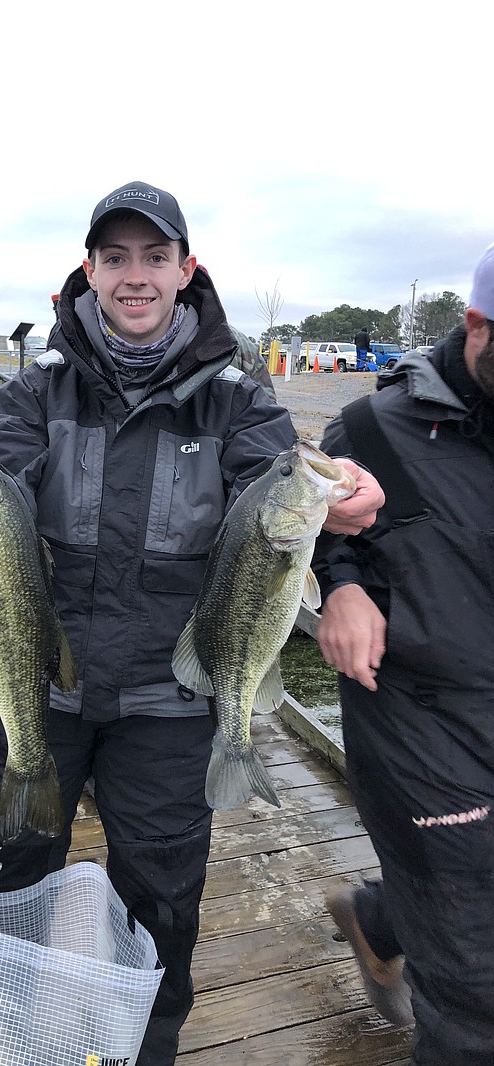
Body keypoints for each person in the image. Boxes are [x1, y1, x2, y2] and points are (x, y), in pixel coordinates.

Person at [0, 180, 383, 1064]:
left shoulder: (239, 402)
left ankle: (142, 1049)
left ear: (187, 271)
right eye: (115, 258)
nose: (134, 276)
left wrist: (338, 512)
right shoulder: (35, 394)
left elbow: (281, 494)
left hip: (172, 708)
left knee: (162, 904)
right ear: (88, 272)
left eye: (154, 257)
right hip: (45, 682)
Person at [316, 240, 494, 1063]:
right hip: (414, 711)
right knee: (474, 997)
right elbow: (309, 512)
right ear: (476, 326)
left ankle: (381, 915)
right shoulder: (371, 427)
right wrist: (344, 582)